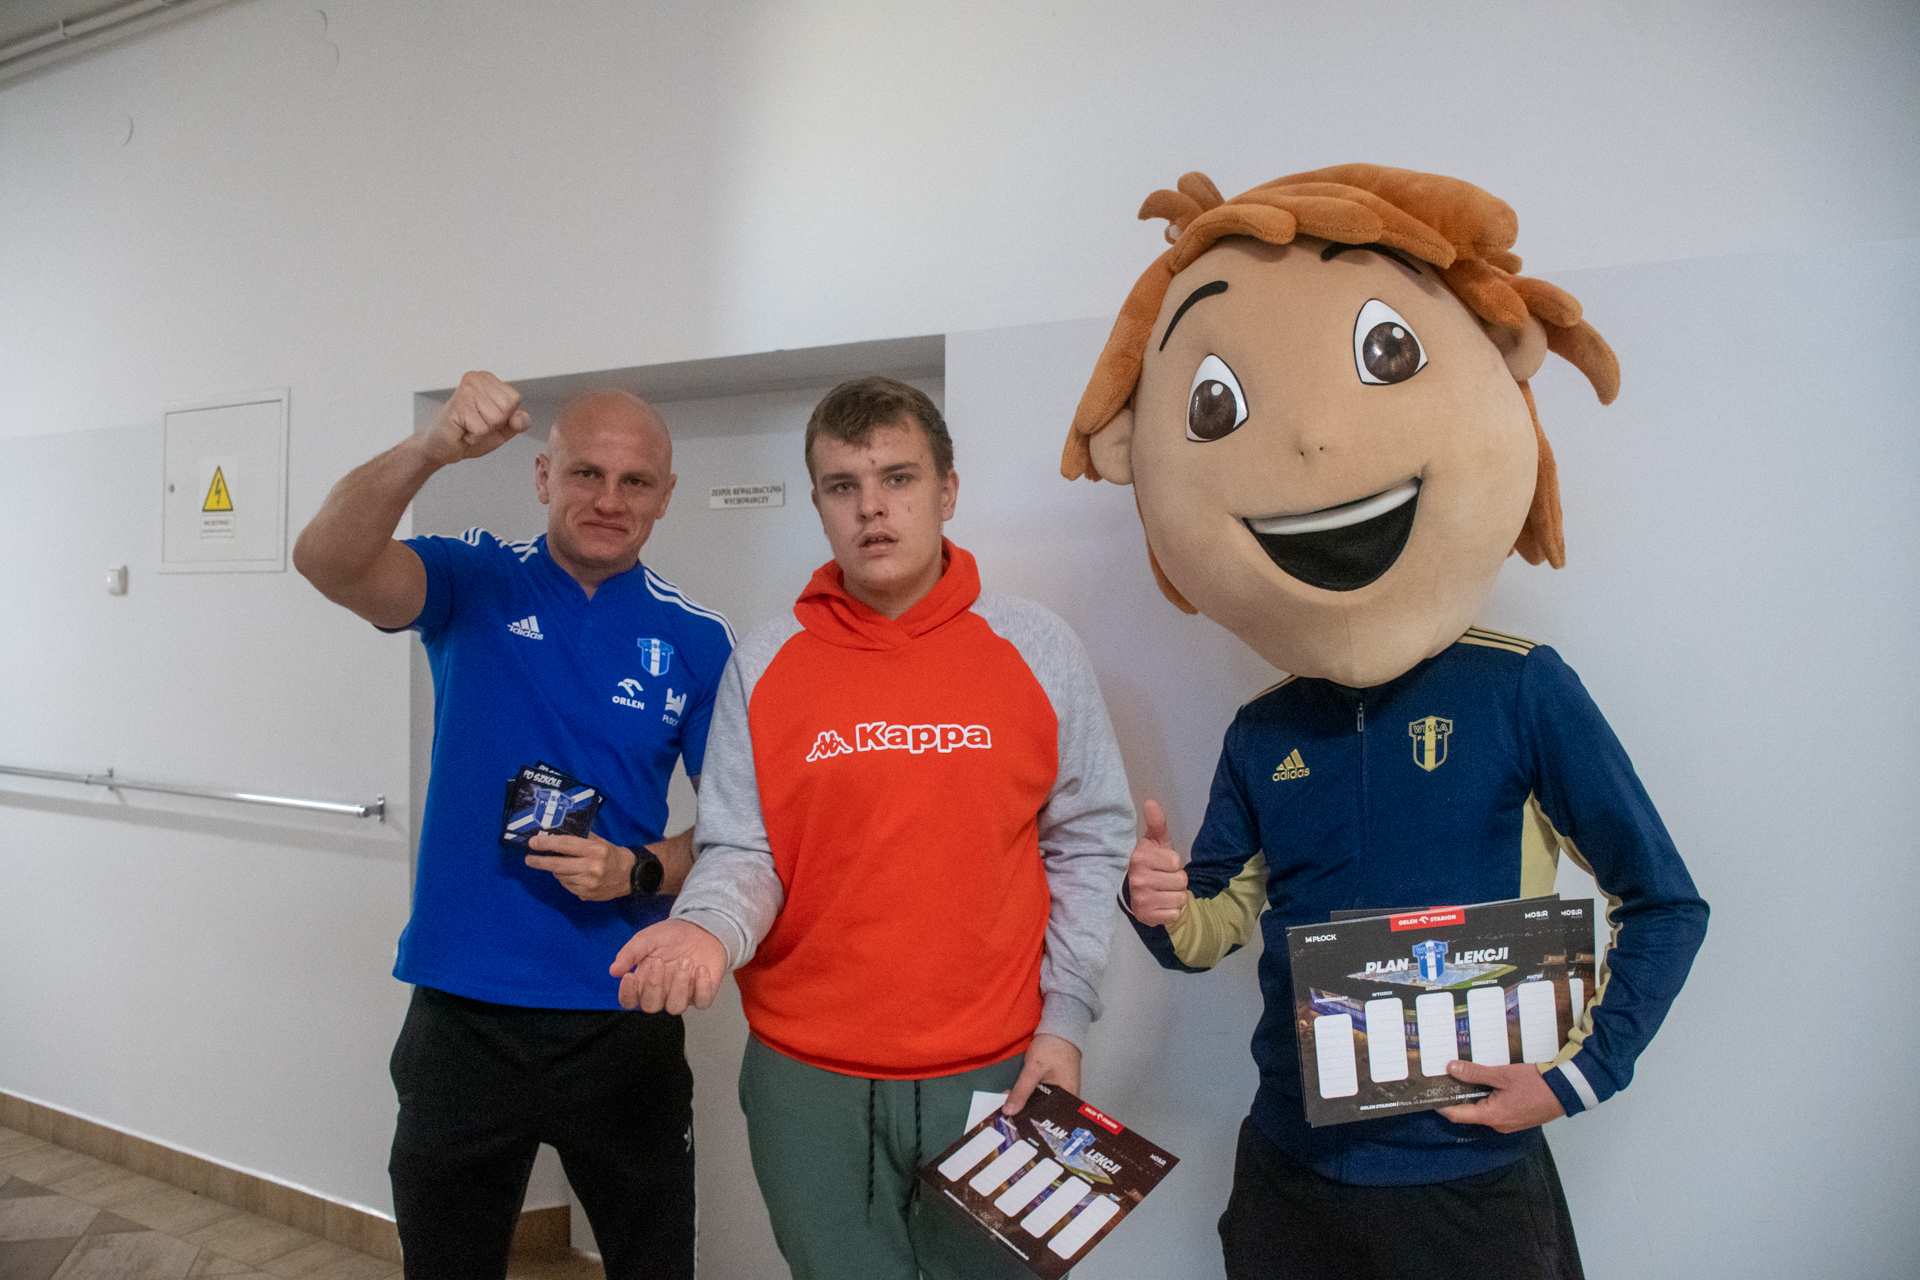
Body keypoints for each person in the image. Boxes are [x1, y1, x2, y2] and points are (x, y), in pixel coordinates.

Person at [1060, 165, 1710, 1279]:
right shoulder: (1264, 730)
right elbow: (1208, 930)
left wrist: (1575, 1077)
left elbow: (1666, 902)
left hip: (1470, 1180)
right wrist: (1158, 903)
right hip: (1291, 1174)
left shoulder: (1521, 689)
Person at [609, 376, 1134, 1280]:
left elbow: (1088, 842)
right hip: (807, 1079)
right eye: (843, 486)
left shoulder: (1038, 649)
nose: (872, 508)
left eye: (898, 478)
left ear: (947, 491)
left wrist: (1065, 1020)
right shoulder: (766, 662)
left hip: (999, 1068)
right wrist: (705, 927)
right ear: (819, 502)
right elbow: (745, 849)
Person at [292, 371, 733, 1280]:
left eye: (635, 482)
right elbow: (326, 561)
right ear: (542, 476)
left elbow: (741, 833)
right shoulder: (473, 579)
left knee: (654, 1264)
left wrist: (638, 870)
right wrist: (428, 450)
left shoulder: (698, 640)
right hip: (463, 1012)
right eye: (585, 473)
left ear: (665, 496)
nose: (609, 500)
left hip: (621, 1010)